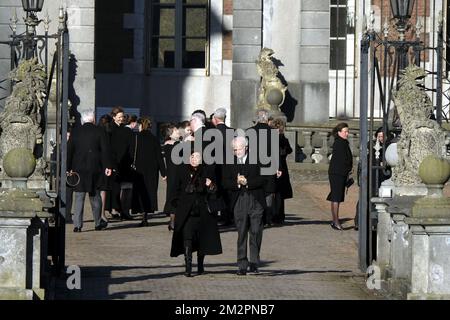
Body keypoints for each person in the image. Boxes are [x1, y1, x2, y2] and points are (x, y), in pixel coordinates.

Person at [170, 152, 222, 277]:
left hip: (203, 211)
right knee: (187, 238)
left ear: (201, 159)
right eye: (192, 157)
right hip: (187, 212)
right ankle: (188, 267)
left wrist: (210, 185)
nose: (194, 159)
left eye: (197, 157)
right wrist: (177, 206)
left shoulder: (206, 171)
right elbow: (174, 190)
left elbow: (215, 191)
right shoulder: (182, 170)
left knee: (201, 239)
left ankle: (200, 265)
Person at [223, 136, 266, 275]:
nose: (236, 152)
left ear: (246, 147)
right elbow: (225, 182)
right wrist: (236, 182)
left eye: (239, 149)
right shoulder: (229, 161)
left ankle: (254, 262)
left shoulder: (256, 159)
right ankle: (242, 264)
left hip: (255, 199)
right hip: (239, 200)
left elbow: (263, 178)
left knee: (256, 231)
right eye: (234, 150)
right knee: (241, 233)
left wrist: (247, 182)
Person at [67, 111, 112, 232]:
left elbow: (69, 150)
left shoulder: (75, 132)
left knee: (79, 197)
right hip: (95, 168)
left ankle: (77, 225)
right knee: (95, 196)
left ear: (82, 120)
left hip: (78, 168)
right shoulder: (100, 131)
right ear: (93, 120)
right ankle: (98, 223)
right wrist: (108, 166)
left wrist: (68, 168)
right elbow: (105, 150)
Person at [130, 116, 167, 226]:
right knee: (150, 191)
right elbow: (159, 157)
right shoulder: (154, 139)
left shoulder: (136, 137)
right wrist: (163, 173)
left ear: (141, 125)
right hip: (152, 169)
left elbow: (131, 154)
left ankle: (142, 214)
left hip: (139, 169)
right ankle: (146, 214)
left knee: (140, 191)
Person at [247, 109, 276, 226]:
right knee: (268, 191)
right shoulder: (273, 132)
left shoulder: (249, 131)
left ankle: (255, 216)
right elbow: (275, 153)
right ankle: (267, 218)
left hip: (253, 165)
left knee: (254, 189)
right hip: (269, 165)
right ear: (266, 119)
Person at [327, 122, 353, 231]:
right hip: (337, 173)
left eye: (347, 131)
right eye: (345, 131)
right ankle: (335, 221)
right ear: (339, 132)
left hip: (340, 173)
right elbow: (342, 160)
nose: (347, 133)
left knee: (336, 197)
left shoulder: (343, 142)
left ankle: (335, 221)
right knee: (336, 197)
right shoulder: (339, 143)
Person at [109, 106, 134, 220]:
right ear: (114, 117)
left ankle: (125, 210)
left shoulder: (127, 130)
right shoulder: (109, 129)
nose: (121, 119)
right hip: (114, 162)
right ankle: (115, 209)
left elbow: (131, 147)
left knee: (126, 188)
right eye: (119, 117)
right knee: (115, 188)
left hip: (126, 162)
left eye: (122, 117)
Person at [270, 118, 293, 224]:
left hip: (274, 165)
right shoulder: (281, 138)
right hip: (280, 166)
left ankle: (276, 215)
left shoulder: (272, 138)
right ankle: (279, 216)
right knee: (279, 193)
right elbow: (288, 150)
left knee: (275, 192)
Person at [161, 123, 181, 231]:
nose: (179, 132)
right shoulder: (171, 145)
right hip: (175, 174)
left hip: (173, 174)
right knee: (174, 196)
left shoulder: (169, 144)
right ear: (171, 133)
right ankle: (173, 221)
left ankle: (173, 220)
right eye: (176, 131)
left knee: (173, 195)